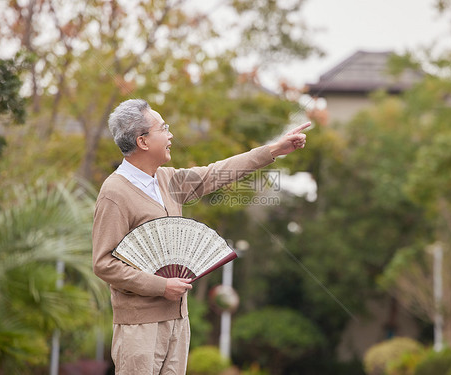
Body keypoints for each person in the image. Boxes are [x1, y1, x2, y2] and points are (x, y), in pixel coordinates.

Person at [92, 98, 309, 375]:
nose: (170, 135)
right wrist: (161, 286)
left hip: (178, 321)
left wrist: (272, 150)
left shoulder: (166, 180)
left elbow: (215, 173)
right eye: (163, 128)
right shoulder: (114, 192)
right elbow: (103, 263)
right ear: (143, 141)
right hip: (138, 327)